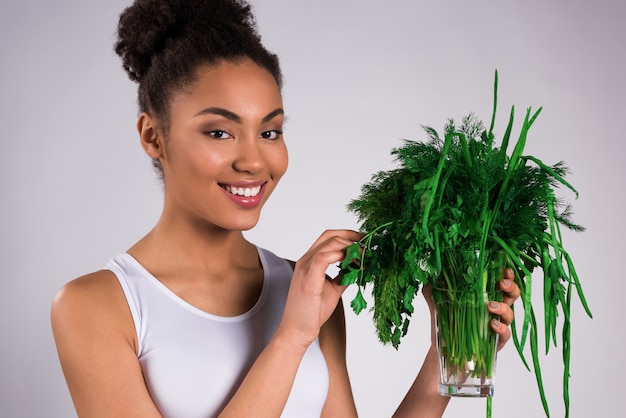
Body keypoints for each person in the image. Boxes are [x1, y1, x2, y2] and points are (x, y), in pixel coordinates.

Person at [50, 0, 521, 417]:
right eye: (219, 131)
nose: (254, 160)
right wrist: (291, 338)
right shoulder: (97, 307)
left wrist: (446, 352)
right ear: (154, 136)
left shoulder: (307, 291)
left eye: (270, 131)